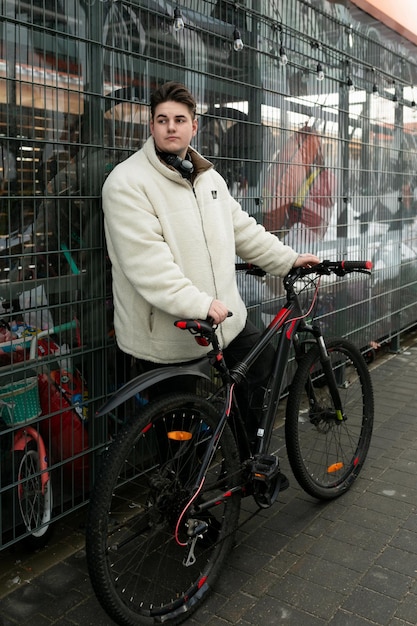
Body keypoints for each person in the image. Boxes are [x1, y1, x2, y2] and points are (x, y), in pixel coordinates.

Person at [102, 81, 320, 441]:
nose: (171, 127)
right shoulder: (127, 183)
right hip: (169, 333)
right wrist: (199, 304)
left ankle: (241, 455)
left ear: (194, 126)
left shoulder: (208, 179)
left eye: (179, 119)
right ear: (151, 126)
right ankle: (185, 493)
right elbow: (148, 265)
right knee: (178, 433)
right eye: (162, 120)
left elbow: (243, 231)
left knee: (259, 363)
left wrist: (290, 260)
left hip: (224, 321)